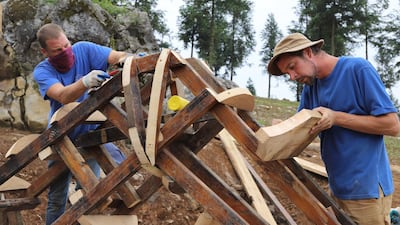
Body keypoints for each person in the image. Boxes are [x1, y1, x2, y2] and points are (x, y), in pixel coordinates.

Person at [267, 33, 400, 225]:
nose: (292, 77)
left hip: (366, 190)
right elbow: (299, 126)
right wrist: (279, 131)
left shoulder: (357, 70)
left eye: (292, 67)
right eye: (288, 74)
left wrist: (336, 117)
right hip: (337, 187)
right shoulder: (311, 87)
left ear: (307, 52)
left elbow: (392, 125)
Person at [33, 23, 129, 225]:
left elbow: (115, 55)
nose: (65, 52)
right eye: (58, 50)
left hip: (89, 136)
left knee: (89, 195)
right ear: (45, 52)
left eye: (66, 45)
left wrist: (125, 60)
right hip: (61, 137)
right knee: (57, 197)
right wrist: (85, 82)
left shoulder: (84, 49)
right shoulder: (42, 71)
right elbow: (62, 95)